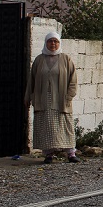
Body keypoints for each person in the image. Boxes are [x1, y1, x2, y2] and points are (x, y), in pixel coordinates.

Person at [24, 32, 80, 164]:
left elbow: (73, 80)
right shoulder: (39, 60)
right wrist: (28, 97)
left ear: (59, 43)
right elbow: (31, 81)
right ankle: (49, 154)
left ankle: (71, 154)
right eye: (50, 41)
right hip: (43, 100)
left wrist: (69, 97)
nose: (53, 44)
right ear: (46, 43)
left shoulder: (66, 59)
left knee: (65, 126)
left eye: (55, 41)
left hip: (61, 101)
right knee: (46, 127)